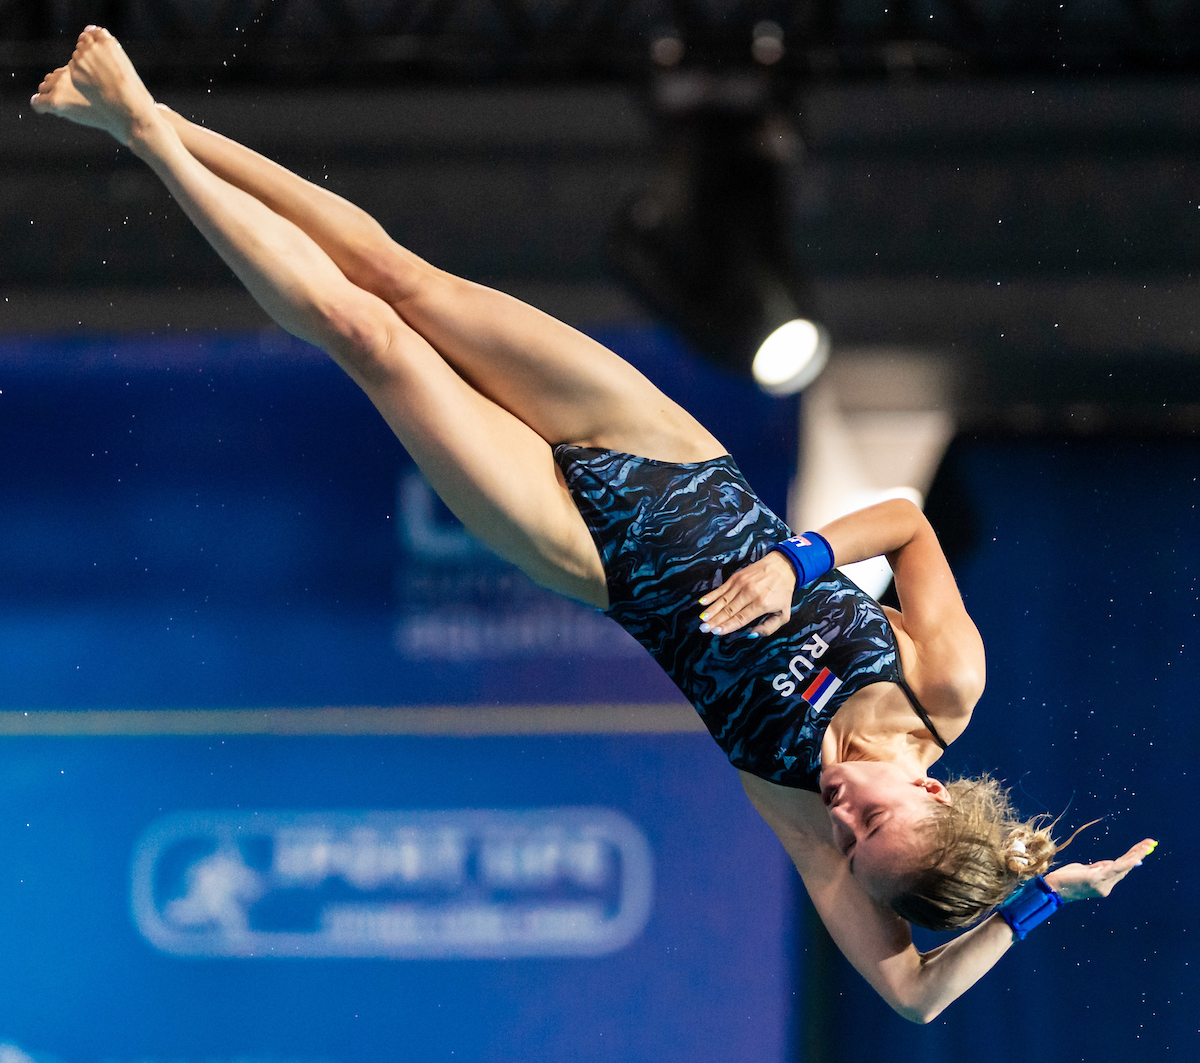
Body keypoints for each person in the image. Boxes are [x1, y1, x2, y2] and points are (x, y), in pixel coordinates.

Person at [31, 27, 1156, 1023]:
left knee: (368, 337)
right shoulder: (943, 682)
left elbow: (911, 998)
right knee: (403, 277)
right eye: (875, 821)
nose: (846, 820)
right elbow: (908, 522)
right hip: (669, 453)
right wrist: (802, 558)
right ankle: (152, 114)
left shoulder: (805, 819)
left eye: (855, 848)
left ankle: (141, 131)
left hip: (590, 551)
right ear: (936, 791)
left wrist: (1042, 900)